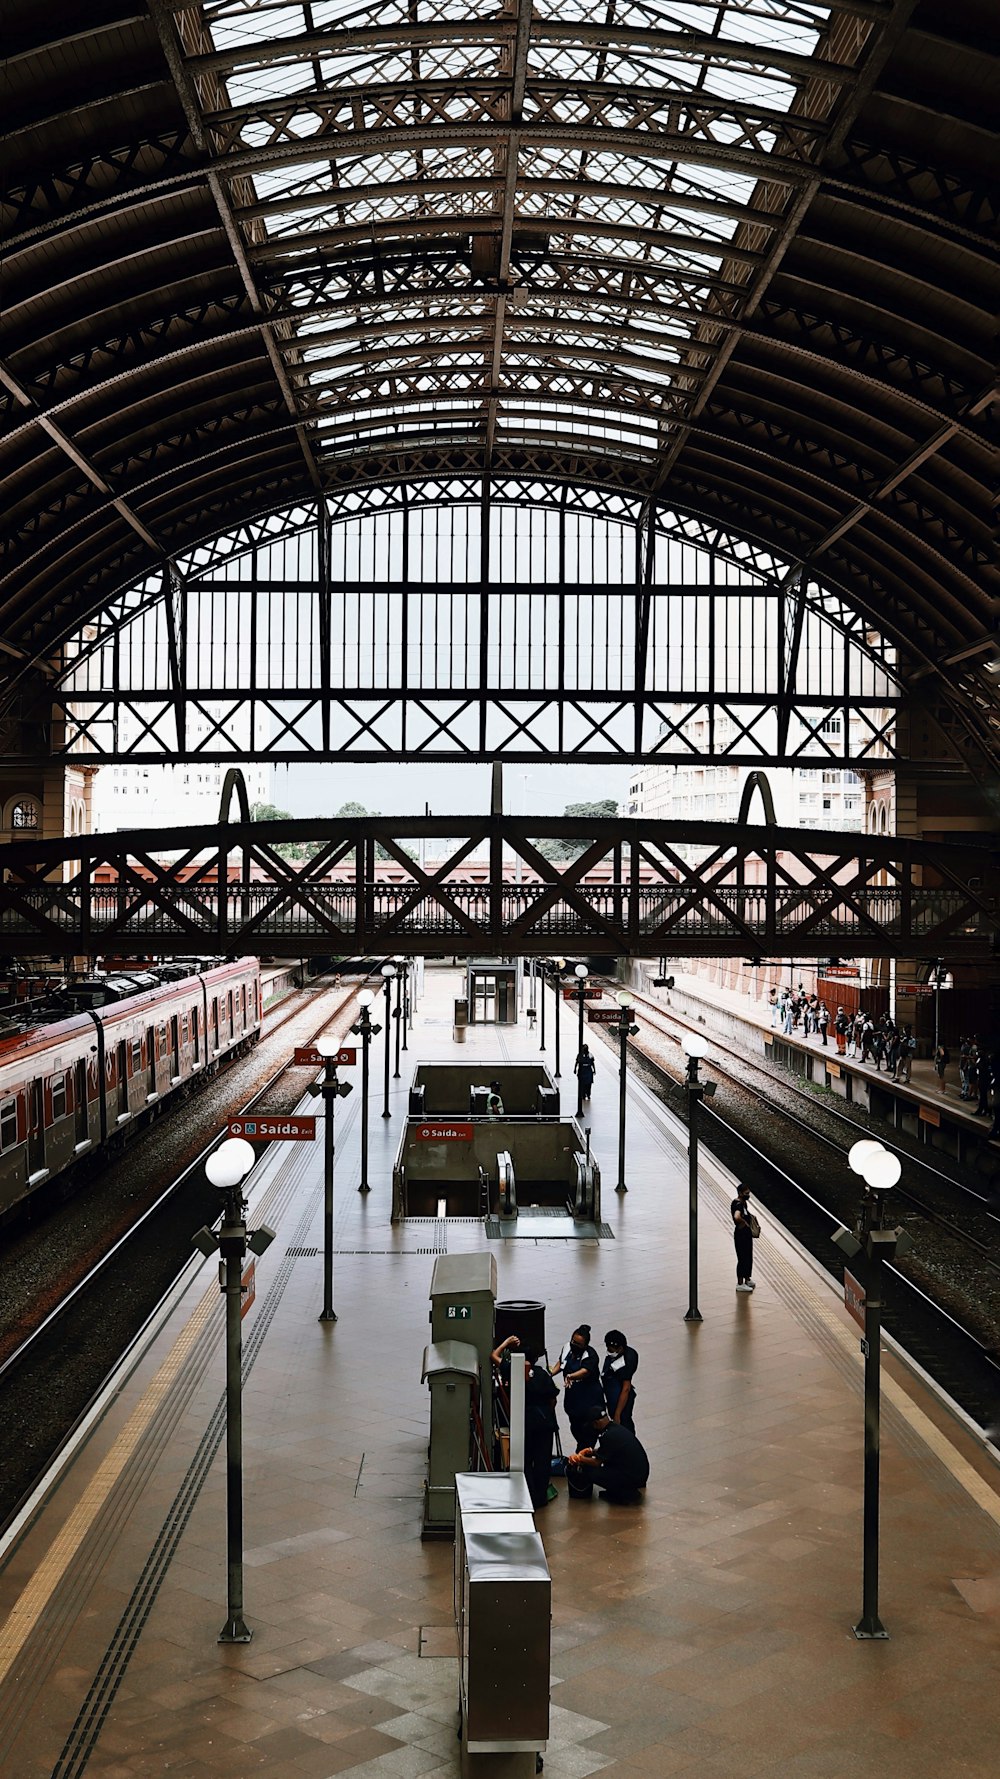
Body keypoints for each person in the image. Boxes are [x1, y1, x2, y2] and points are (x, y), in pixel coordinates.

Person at [491, 1333, 558, 1509]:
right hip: (544, 1424)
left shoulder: (512, 1370)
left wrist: (506, 1342)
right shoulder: (543, 1375)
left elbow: (493, 1356)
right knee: (542, 1460)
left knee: (525, 1460)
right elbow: (553, 1398)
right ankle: (540, 1497)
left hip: (523, 1423)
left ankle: (527, 1494)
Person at [566, 1414, 649, 1504]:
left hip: (632, 1477)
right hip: (639, 1474)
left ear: (596, 1423)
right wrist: (591, 1451)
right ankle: (621, 1491)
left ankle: (623, 1493)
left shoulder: (608, 1436)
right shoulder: (615, 1428)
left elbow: (596, 1462)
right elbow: (608, 1449)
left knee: (589, 1471)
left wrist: (579, 1458)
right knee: (608, 1464)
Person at [559, 1324, 605, 1448]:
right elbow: (562, 1362)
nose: (574, 1345)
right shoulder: (567, 1348)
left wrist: (571, 1376)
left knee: (588, 1436)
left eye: (578, 1344)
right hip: (573, 1403)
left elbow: (585, 1371)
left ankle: (583, 1458)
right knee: (576, 1429)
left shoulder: (591, 1355)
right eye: (573, 1341)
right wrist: (550, 1373)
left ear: (585, 1345)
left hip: (589, 1402)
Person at [601, 1330, 639, 1431]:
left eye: (611, 1350)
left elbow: (626, 1388)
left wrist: (617, 1414)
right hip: (611, 1394)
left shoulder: (626, 1361)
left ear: (620, 1348)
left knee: (624, 1424)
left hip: (621, 1401)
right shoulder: (614, 1357)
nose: (609, 1352)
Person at [731, 1182, 756, 1292]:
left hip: (746, 1234)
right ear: (740, 1193)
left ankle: (747, 1279)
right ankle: (740, 1283)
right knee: (742, 1258)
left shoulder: (743, 1202)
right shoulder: (738, 1204)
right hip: (741, 1235)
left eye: (749, 1193)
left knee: (748, 1256)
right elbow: (737, 1217)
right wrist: (744, 1223)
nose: (748, 1195)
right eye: (746, 1193)